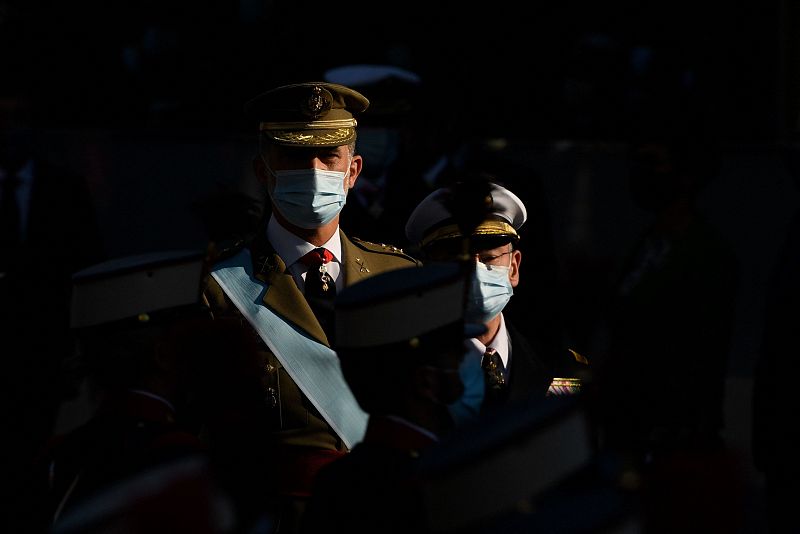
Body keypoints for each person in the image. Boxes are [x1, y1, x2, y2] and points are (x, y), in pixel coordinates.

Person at [201, 81, 421, 533]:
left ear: (353, 169)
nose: (314, 170)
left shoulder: (402, 278)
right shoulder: (218, 284)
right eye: (295, 157)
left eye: (329, 157)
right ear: (263, 171)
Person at [302, 261, 482, 534]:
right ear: (426, 381)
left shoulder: (336, 484)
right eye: (457, 360)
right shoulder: (444, 483)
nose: (469, 369)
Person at [405, 177, 587, 421]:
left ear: (513, 268)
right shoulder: (403, 371)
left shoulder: (563, 366)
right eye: (453, 259)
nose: (473, 270)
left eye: (489, 258)